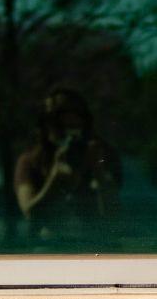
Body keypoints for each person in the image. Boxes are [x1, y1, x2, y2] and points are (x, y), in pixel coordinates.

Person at [12, 87, 121, 240]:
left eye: (75, 120)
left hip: (95, 244)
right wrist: (54, 181)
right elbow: (30, 212)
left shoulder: (101, 154)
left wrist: (98, 171)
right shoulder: (31, 161)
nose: (68, 125)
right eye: (58, 120)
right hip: (50, 246)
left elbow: (114, 216)